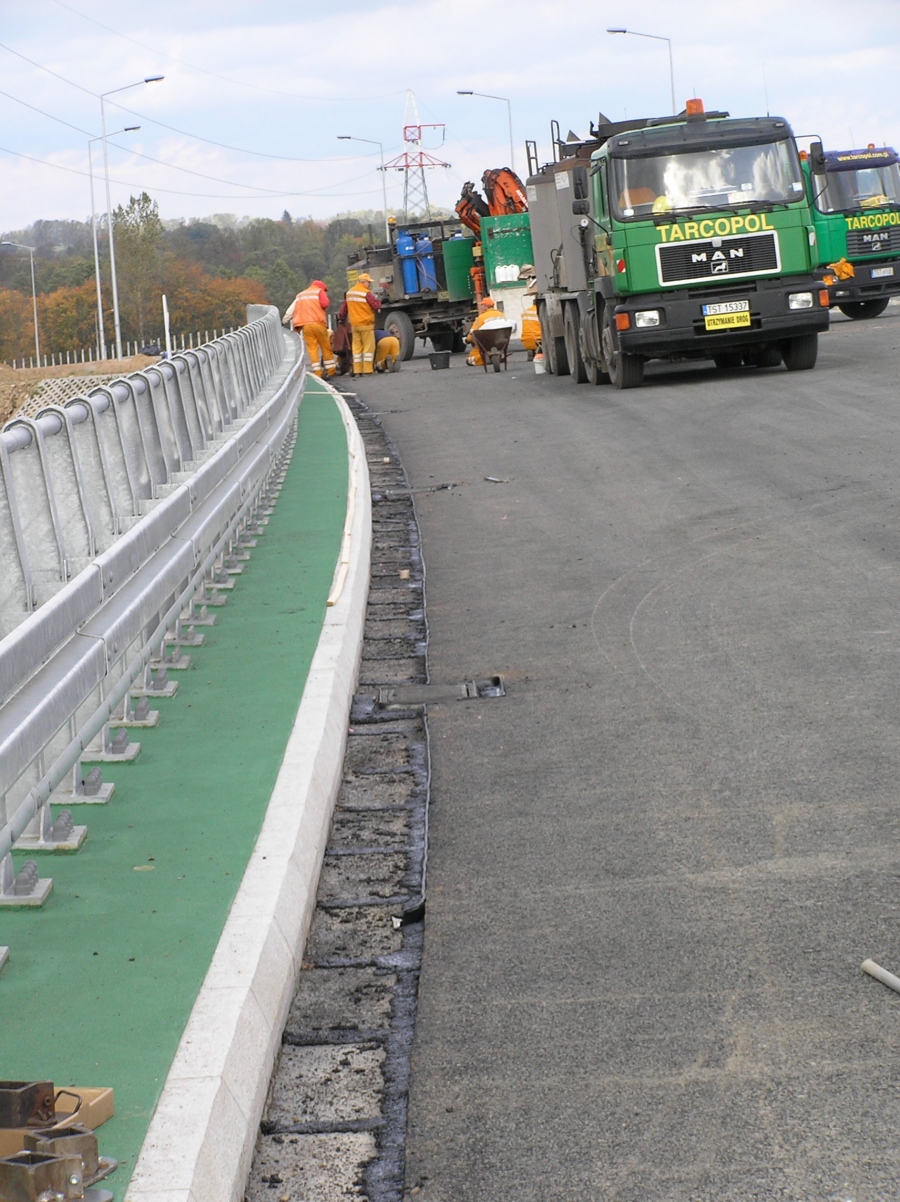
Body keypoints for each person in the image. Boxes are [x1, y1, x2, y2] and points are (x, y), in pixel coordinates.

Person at [283, 280, 336, 378]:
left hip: (306, 325)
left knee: (312, 349)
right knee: (325, 346)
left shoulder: (301, 295)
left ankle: (317, 372)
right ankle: (331, 370)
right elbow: (325, 304)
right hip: (318, 323)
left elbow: (291, 310)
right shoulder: (319, 292)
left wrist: (284, 321)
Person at [338, 272, 381, 376]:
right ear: (364, 282)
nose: (369, 284)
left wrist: (341, 319)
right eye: (368, 282)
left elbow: (344, 309)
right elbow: (375, 306)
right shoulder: (366, 293)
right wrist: (379, 301)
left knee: (357, 348)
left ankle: (357, 370)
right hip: (366, 324)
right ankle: (367, 370)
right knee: (368, 348)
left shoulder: (349, 293)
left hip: (354, 325)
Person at [466, 297, 507, 366]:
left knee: (470, 358)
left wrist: (467, 340)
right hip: (501, 340)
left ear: (486, 306)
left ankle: (483, 359)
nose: (481, 307)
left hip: (486, 342)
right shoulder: (501, 314)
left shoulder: (482, 317)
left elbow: (473, 332)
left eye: (482, 305)